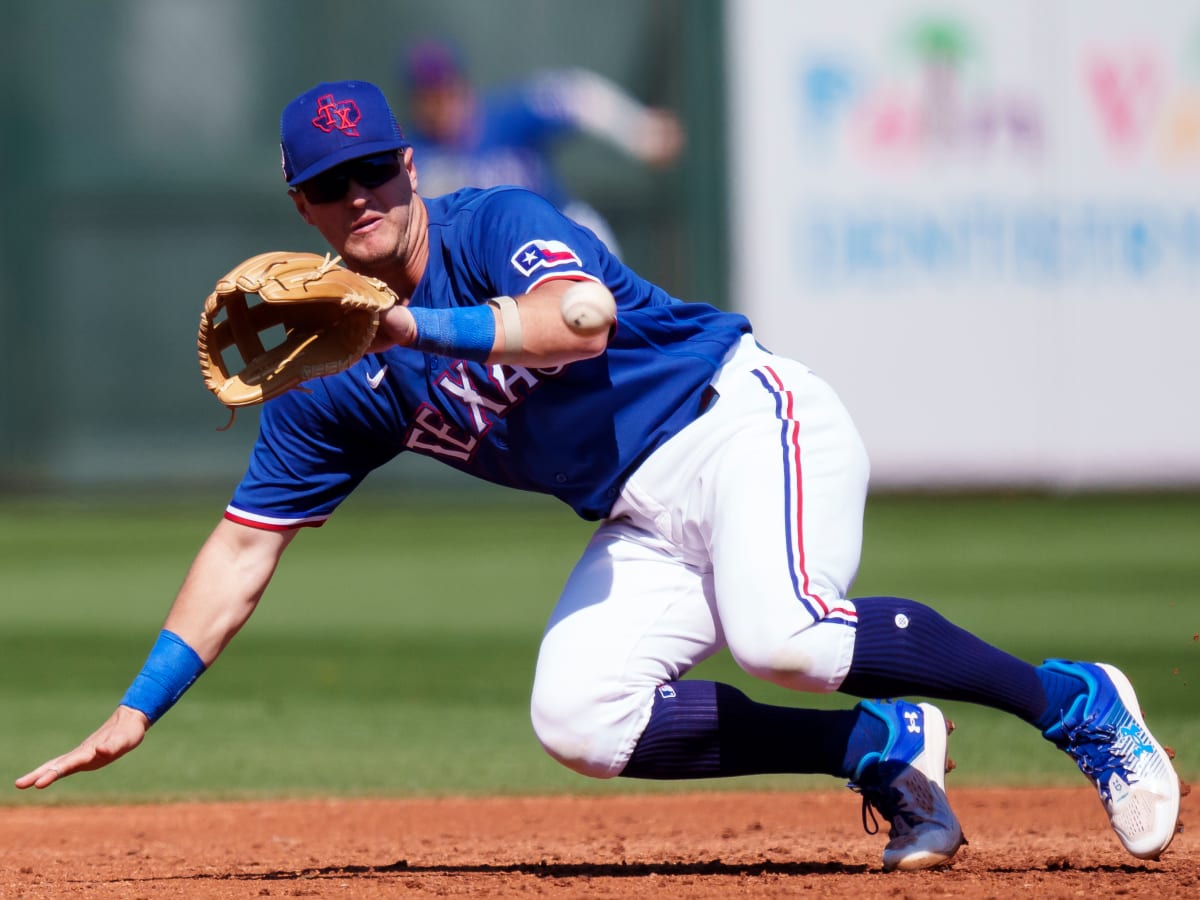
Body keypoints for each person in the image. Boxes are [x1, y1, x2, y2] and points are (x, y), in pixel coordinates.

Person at [16, 80, 1180, 872]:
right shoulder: (329, 378)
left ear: (411, 166)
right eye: (333, 184)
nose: (361, 196)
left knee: (786, 637)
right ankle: (877, 742)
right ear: (300, 205)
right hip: (643, 510)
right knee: (579, 717)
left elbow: (577, 318)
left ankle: (1074, 702)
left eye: (376, 169)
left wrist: (412, 328)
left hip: (741, 420)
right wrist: (136, 708)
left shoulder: (490, 223)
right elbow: (242, 549)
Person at [398, 38, 684, 254]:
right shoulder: (418, 159)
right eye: (428, 97)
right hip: (504, 269)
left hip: (567, 234)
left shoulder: (507, 117)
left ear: (463, 85)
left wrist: (637, 130)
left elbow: (578, 95)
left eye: (445, 92)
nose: (439, 105)